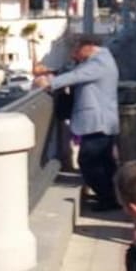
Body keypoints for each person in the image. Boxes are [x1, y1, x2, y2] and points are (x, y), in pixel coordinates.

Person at [36, 34, 121, 212]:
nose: (74, 54)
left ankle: (107, 198)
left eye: (76, 50)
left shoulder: (99, 63)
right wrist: (53, 73)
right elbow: (74, 71)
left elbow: (77, 75)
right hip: (101, 120)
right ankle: (109, 196)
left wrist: (50, 83)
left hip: (98, 121)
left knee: (89, 160)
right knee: (104, 162)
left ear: (88, 46)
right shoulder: (99, 60)